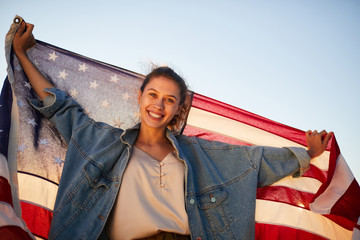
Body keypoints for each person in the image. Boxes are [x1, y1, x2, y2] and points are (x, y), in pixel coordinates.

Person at [12, 20, 332, 240]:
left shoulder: (200, 153)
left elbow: (255, 162)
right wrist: (22, 54)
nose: (158, 105)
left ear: (178, 109)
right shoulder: (97, 139)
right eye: (153, 95)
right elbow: (58, 105)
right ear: (140, 98)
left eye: (169, 100)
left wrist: (308, 154)